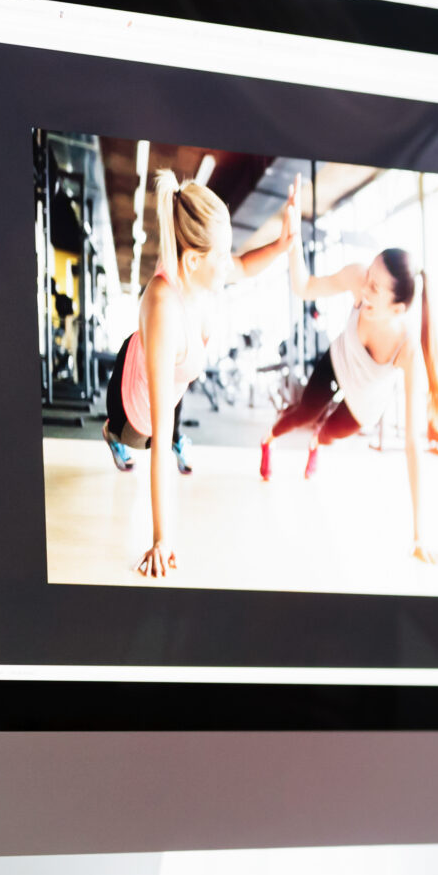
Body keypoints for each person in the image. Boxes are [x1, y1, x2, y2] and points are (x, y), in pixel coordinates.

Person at [103, 168, 292, 578]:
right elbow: (159, 435)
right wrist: (160, 539)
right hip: (131, 394)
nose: (229, 263)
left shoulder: (202, 272)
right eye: (221, 257)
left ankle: (161, 431)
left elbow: (242, 266)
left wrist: (281, 244)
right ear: (193, 260)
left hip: (173, 369)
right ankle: (109, 434)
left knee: (175, 393)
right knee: (142, 437)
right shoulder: (166, 310)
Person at [262, 175, 438, 566]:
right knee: (304, 415)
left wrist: (419, 534)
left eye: (376, 290)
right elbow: (305, 285)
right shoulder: (359, 277)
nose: (364, 291)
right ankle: (268, 439)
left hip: (364, 405)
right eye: (369, 278)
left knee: (326, 435)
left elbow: (413, 443)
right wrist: (290, 236)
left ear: (400, 309)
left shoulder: (409, 350)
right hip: (336, 362)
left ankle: (314, 447)